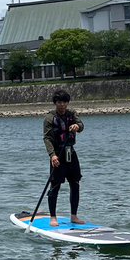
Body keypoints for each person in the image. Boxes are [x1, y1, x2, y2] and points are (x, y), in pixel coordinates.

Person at [43, 90, 84, 226]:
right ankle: (53, 217)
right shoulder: (50, 118)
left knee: (75, 183)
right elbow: (47, 138)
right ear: (55, 103)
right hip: (58, 154)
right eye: (59, 102)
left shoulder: (71, 114)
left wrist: (77, 126)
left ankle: (74, 216)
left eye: (64, 102)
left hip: (70, 152)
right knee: (55, 185)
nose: (62, 105)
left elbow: (81, 125)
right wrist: (52, 155)